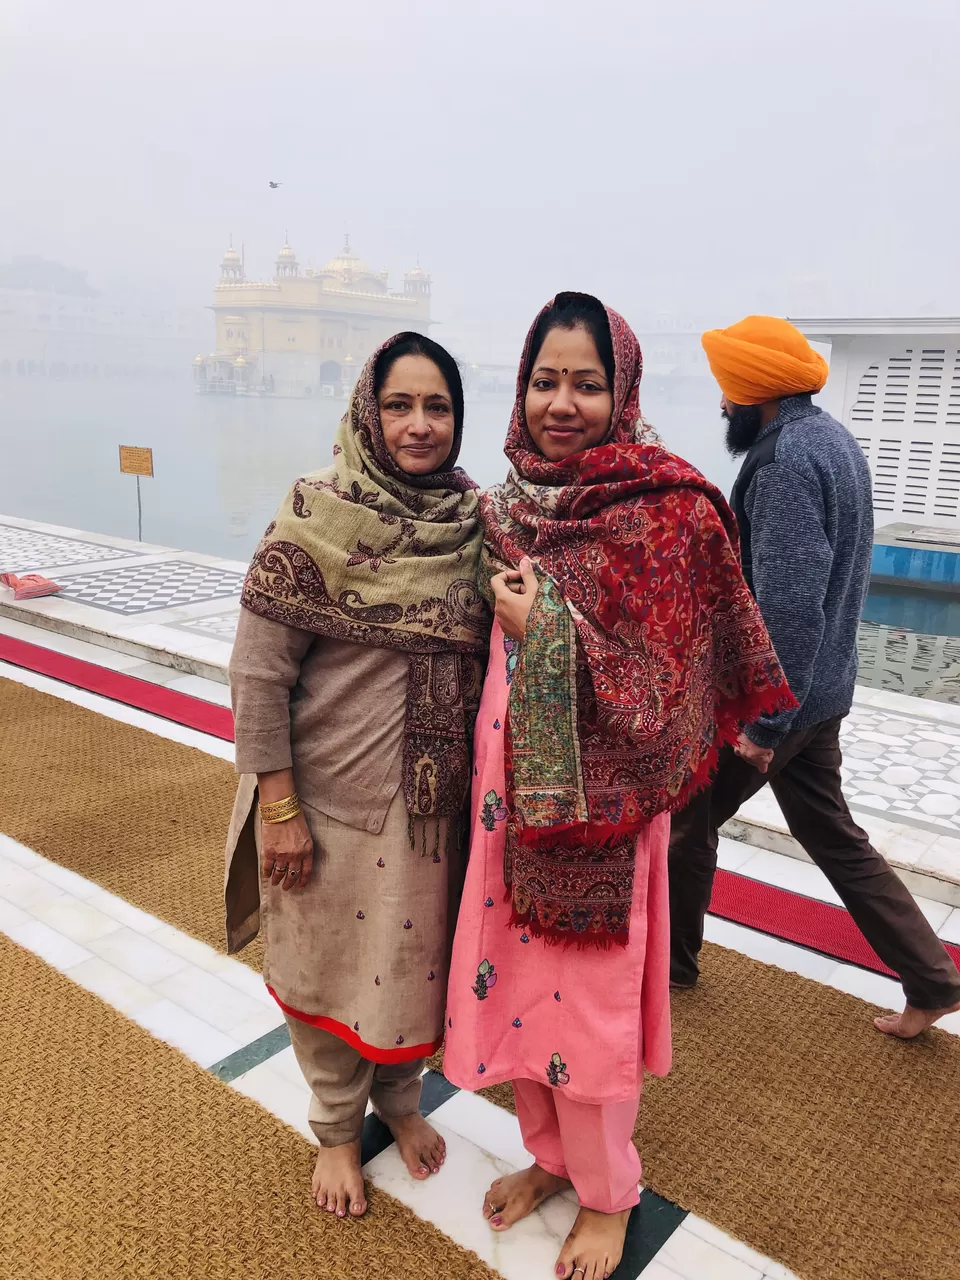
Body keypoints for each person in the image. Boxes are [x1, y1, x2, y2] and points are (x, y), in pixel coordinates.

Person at [444, 294, 793, 1280]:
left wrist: (540, 628)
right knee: (516, 988)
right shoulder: (509, 505)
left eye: (587, 383)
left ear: (623, 388)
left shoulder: (665, 508)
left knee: (585, 1006)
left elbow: (671, 675)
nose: (563, 402)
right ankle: (552, 1160)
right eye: (545, 381)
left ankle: (609, 1192)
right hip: (507, 795)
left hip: (606, 807)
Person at [224, 332, 489, 1219]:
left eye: (438, 406)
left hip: (430, 812)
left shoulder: (472, 525)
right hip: (324, 806)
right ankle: (337, 1128)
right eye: (400, 404)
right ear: (367, 414)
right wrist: (280, 808)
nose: (419, 425)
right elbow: (258, 675)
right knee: (329, 971)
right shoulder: (316, 513)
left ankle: (401, 1102)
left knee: (413, 968)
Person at [668, 314, 960, 1038]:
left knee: (687, 816)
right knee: (832, 834)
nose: (721, 408)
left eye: (726, 394)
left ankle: (670, 968)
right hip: (825, 689)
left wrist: (764, 724)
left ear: (752, 394)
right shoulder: (830, 438)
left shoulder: (785, 463)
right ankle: (933, 978)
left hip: (784, 701)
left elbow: (791, 605)